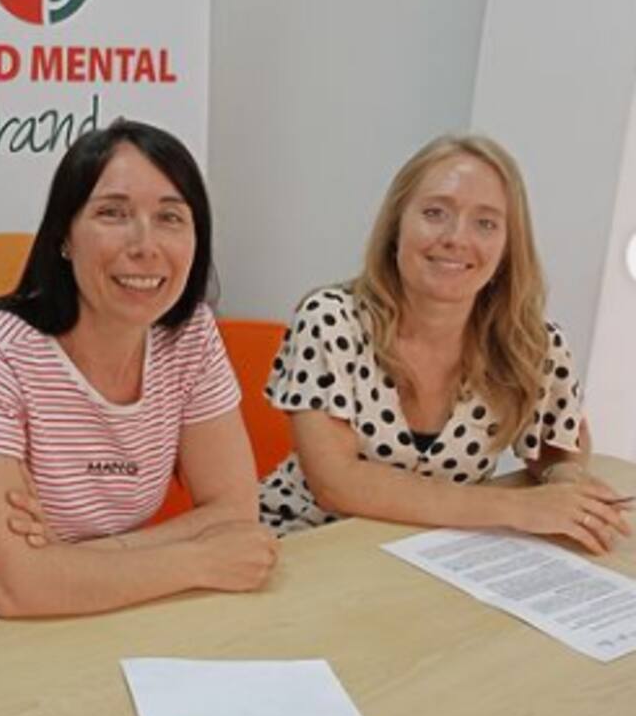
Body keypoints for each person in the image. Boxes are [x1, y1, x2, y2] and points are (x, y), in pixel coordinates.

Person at [0, 119, 278, 621]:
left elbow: (233, 515)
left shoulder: (189, 334)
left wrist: (72, 562)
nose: (145, 244)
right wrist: (201, 559)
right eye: (112, 213)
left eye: (170, 217)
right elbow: (14, 587)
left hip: (113, 598)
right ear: (64, 236)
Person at [259, 133, 631, 554]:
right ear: (397, 225)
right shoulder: (330, 320)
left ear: (507, 247)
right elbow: (337, 484)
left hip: (431, 554)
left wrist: (563, 481)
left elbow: (557, 445)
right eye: (435, 213)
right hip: (304, 541)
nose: (457, 238)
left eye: (485, 223)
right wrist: (517, 508)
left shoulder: (532, 342)